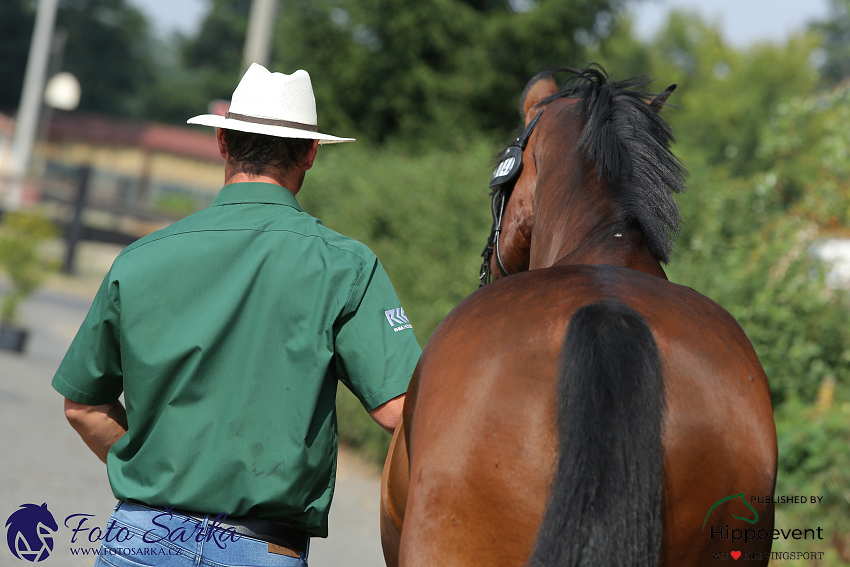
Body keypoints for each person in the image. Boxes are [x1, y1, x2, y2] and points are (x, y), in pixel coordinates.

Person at [52, 63, 422, 566]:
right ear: (311, 153)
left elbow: (83, 407)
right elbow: (401, 413)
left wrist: (154, 470)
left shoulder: (138, 260)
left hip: (140, 538)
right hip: (263, 547)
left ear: (222, 140)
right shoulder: (347, 267)